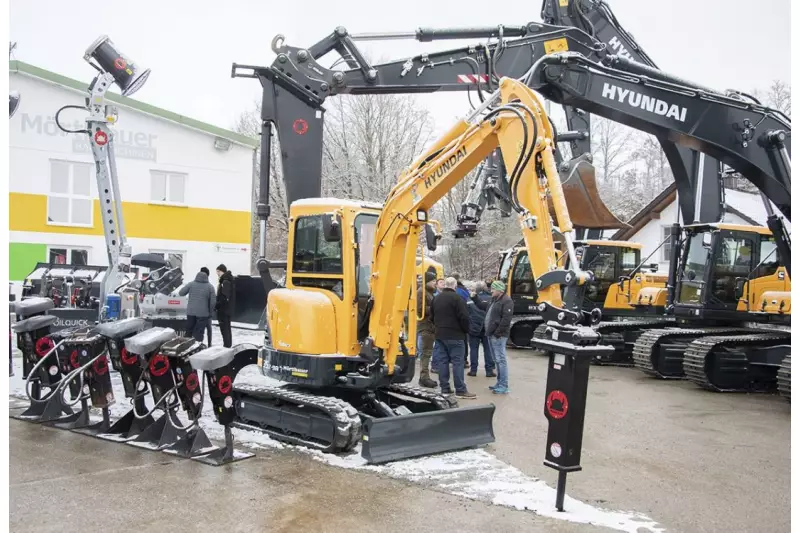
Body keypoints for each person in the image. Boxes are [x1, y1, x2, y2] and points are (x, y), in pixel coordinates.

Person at [430, 277, 476, 399]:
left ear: (445, 285)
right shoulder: (458, 299)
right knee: (457, 363)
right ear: (455, 286)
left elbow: (431, 316)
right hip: (456, 335)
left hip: (440, 335)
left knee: (443, 362)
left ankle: (444, 388)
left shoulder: (436, 298)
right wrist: (465, 330)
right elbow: (464, 317)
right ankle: (460, 389)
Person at [485, 280, 514, 395]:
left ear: (500, 290)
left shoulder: (507, 301)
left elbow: (506, 320)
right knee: (496, 360)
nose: (491, 290)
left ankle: (503, 385)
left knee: (501, 360)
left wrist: (497, 333)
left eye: (493, 288)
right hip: (491, 334)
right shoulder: (494, 299)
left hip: (499, 336)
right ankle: (499, 382)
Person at [466, 282, 496, 377]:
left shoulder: (470, 298)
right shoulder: (492, 298)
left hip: (474, 327)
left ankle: (473, 370)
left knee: (474, 349)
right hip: (487, 327)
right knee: (488, 349)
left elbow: (467, 313)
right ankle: (489, 370)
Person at [179, 268, 216, 343]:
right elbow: (213, 302)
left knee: (189, 330)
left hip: (191, 312)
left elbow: (181, 293)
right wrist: (210, 312)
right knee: (199, 332)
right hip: (203, 314)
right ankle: (197, 348)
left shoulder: (191, 284)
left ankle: (186, 347)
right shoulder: (210, 287)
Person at [416, 272, 438, 389]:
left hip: (430, 326)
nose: (435, 283)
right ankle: (424, 377)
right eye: (433, 280)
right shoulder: (422, 292)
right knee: (426, 353)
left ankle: (425, 377)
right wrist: (436, 307)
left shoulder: (428, 293)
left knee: (427, 353)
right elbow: (420, 310)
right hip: (426, 326)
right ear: (427, 281)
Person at [215, 264, 235, 348]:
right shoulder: (227, 280)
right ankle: (227, 345)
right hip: (227, 309)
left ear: (222, 271)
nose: (217, 273)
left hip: (223, 310)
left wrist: (217, 305)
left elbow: (224, 297)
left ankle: (226, 345)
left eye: (218, 271)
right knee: (226, 328)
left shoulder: (225, 281)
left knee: (224, 328)